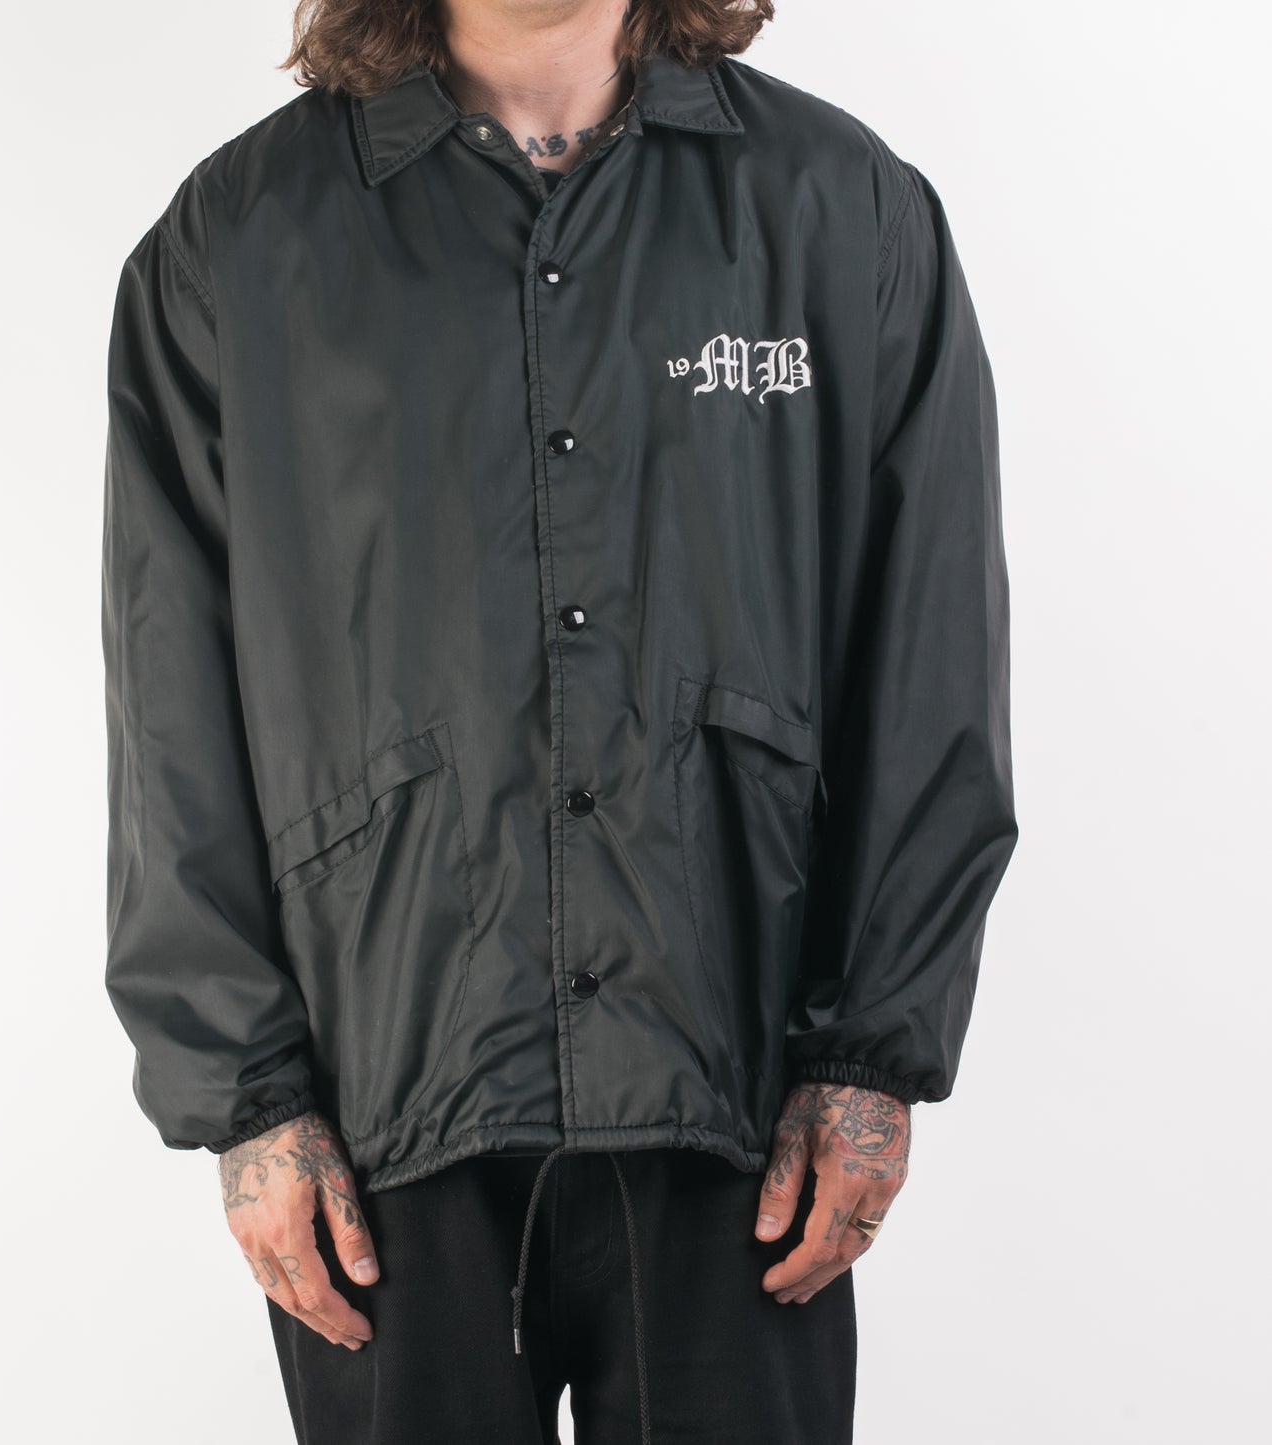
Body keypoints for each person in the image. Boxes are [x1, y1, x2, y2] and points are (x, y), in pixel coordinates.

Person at [99, 0, 1018, 1439]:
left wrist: (870, 1055)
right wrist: (245, 1093)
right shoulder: (239, 241)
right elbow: (172, 694)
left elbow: (930, 647)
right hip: (385, 1110)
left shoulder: (841, 211)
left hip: (742, 1094)